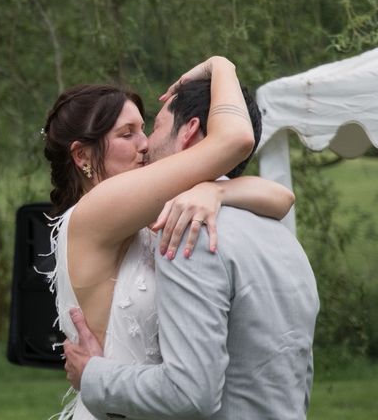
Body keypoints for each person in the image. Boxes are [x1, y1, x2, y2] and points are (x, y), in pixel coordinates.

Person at [43, 56, 294, 419]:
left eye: (144, 129)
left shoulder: (143, 215)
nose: (144, 144)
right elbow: (236, 139)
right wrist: (222, 67)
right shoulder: (96, 211)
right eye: (126, 134)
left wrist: (218, 192)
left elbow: (281, 197)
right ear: (82, 155)